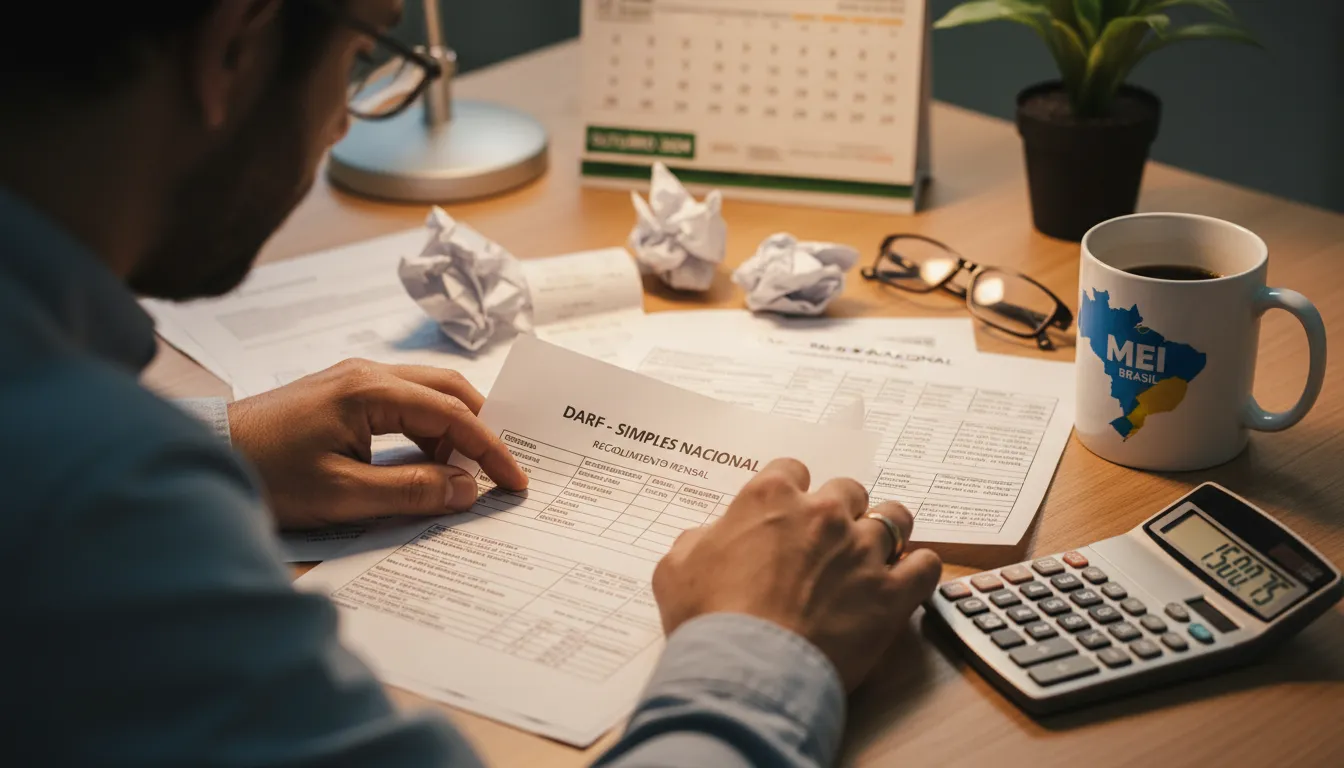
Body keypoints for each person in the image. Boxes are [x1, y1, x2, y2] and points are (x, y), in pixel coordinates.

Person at [0, 2, 943, 766]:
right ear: (235, 45)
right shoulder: (91, 508)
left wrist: (221, 439)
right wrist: (760, 648)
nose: (341, 118)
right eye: (364, 56)